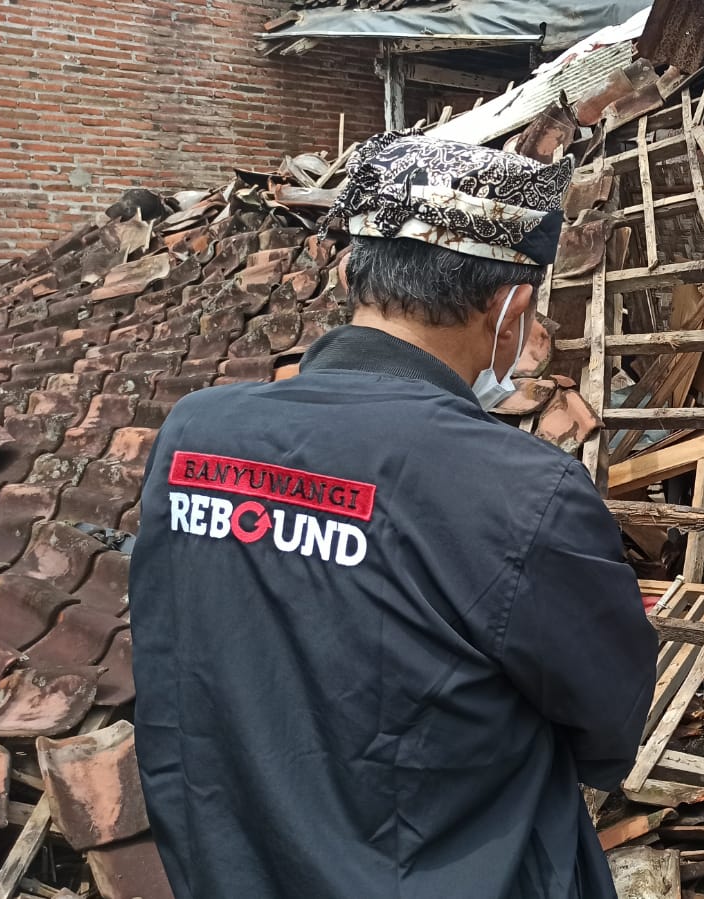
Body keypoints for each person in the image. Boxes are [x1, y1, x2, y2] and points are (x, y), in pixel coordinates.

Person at [130, 132, 659, 899]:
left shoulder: (195, 437)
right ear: (509, 307)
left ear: (351, 271)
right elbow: (608, 721)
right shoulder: (523, 490)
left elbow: (175, 667)